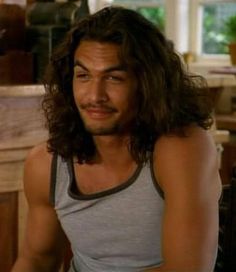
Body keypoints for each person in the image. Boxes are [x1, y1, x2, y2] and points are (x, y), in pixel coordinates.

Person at [12, 6, 222, 272]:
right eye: (84, 76)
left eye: (114, 77)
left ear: (147, 84)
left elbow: (186, 269)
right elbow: (36, 260)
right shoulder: (46, 164)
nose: (94, 95)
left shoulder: (181, 147)